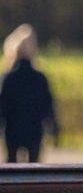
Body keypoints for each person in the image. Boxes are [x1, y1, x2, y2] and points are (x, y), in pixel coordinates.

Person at [0, 24, 59, 163]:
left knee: (11, 168)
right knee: (34, 168)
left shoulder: (8, 78)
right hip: (34, 132)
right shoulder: (40, 78)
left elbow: (2, 106)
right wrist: (54, 129)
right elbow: (48, 105)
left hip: (12, 131)